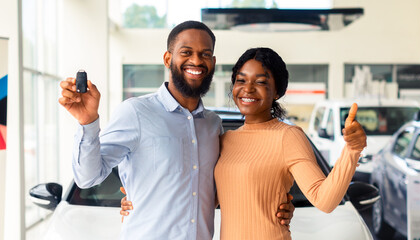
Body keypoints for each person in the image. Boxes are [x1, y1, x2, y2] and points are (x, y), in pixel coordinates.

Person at [59, 21, 293, 240]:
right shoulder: (136, 112)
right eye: (186, 52)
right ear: (167, 58)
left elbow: (231, 185)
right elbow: (87, 177)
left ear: (212, 62)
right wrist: (88, 122)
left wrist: (277, 203)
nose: (196, 60)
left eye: (205, 54)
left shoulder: (213, 125)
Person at [121, 47, 367, 240]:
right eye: (241, 80)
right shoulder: (225, 140)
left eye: (260, 82)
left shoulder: (288, 136)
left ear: (277, 91)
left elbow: (324, 200)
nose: (247, 89)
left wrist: (352, 150)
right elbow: (203, 195)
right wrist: (143, 196)